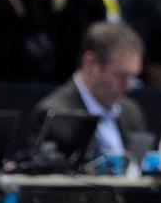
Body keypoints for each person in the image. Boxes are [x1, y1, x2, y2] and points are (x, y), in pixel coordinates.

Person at [30, 22, 147, 156]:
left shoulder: (131, 113)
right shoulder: (55, 115)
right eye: (121, 76)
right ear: (90, 63)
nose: (128, 86)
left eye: (133, 77)